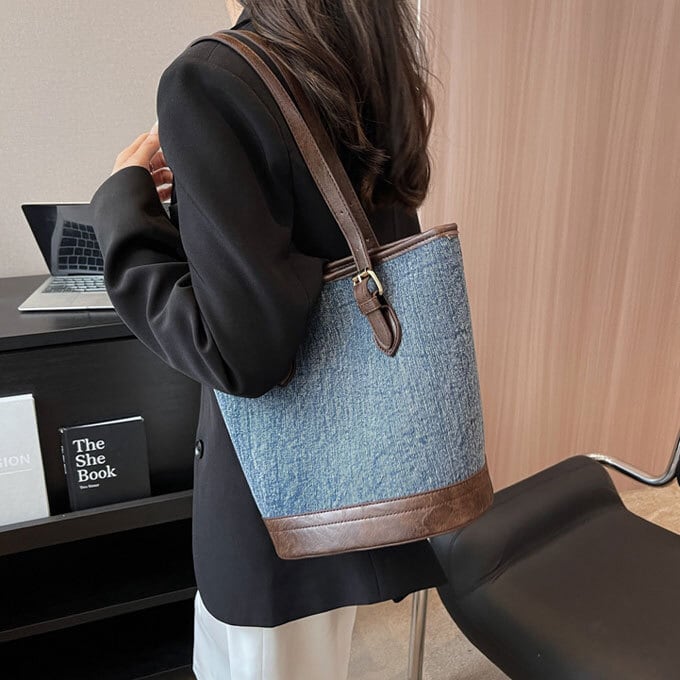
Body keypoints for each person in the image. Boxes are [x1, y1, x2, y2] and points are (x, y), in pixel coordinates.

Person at [90, 1, 447, 678]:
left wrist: (121, 209)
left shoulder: (211, 78)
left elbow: (238, 354)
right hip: (356, 465)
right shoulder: (360, 54)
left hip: (274, 501)